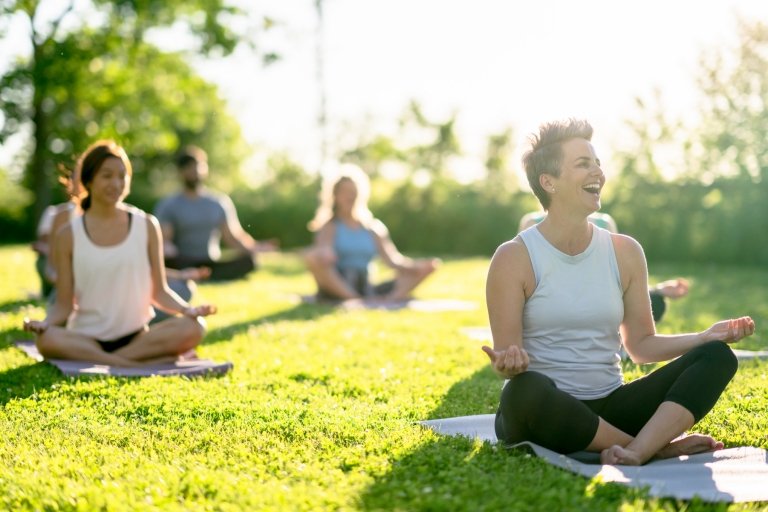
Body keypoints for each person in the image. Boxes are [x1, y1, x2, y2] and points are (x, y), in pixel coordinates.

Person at [483, 119, 754, 466]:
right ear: (548, 182)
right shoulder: (514, 257)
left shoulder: (624, 251)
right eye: (583, 163)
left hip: (613, 407)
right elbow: (508, 358)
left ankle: (636, 450)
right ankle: (658, 448)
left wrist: (703, 337)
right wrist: (509, 364)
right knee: (523, 391)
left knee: (717, 356)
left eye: (597, 162)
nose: (598, 171)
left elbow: (640, 346)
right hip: (544, 410)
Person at [23, 140, 216, 367]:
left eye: (122, 176)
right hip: (86, 339)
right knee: (46, 339)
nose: (116, 183)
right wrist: (44, 323)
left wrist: (187, 309)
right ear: (89, 180)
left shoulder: (147, 225)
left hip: (137, 337)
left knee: (194, 326)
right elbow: (64, 304)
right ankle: (134, 363)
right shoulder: (67, 235)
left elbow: (160, 291)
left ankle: (110, 361)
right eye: (107, 175)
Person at [518, 210, 690, 323]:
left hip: (597, 297)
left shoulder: (605, 224)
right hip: (553, 299)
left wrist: (656, 289)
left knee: (655, 303)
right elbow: (523, 279)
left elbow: (616, 277)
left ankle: (619, 342)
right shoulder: (532, 223)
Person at [304, 164, 440, 302]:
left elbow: (393, 261)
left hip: (366, 286)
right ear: (335, 196)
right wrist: (325, 252)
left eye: (353, 191)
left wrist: (417, 267)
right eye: (344, 192)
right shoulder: (330, 226)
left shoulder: (373, 227)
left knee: (420, 271)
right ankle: (352, 299)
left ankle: (387, 299)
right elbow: (322, 248)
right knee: (311, 256)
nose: (349, 196)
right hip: (339, 284)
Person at [154, 146, 276, 282]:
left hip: (211, 262)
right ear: (180, 171)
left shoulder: (219, 202)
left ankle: (205, 275)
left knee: (250, 261)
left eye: (198, 167)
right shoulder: (169, 205)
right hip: (183, 263)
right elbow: (164, 240)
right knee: (165, 263)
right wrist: (167, 248)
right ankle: (194, 276)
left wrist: (255, 247)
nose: (195, 171)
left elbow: (233, 237)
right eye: (189, 167)